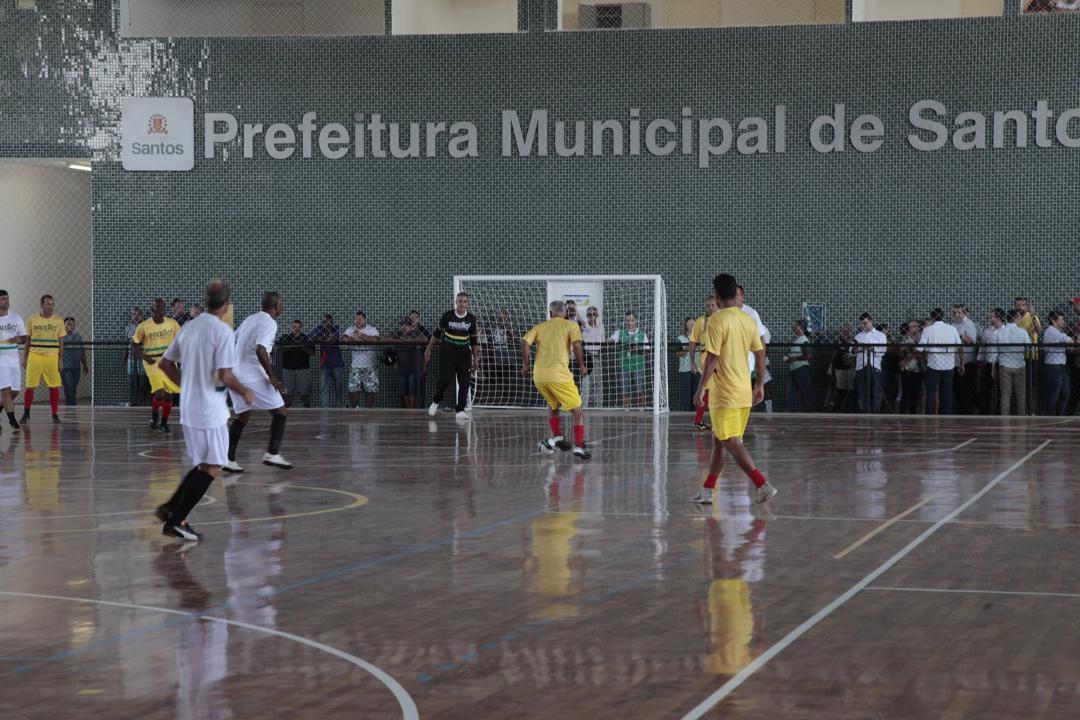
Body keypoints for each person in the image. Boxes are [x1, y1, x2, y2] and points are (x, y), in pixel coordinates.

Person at [154, 280, 255, 541]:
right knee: (213, 466)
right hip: (209, 409)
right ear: (226, 304)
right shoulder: (221, 332)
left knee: (204, 464)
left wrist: (186, 386)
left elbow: (165, 364)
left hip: (189, 407)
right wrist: (245, 392)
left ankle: (170, 508)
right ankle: (177, 521)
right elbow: (225, 375)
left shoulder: (189, 326)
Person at [691, 274, 777, 506]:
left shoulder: (717, 321)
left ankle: (762, 484)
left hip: (724, 394)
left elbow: (712, 360)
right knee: (719, 439)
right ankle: (708, 489)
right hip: (743, 391)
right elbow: (760, 353)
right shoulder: (747, 320)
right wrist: (759, 384)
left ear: (717, 297)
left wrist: (701, 388)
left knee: (730, 440)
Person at [224, 291, 292, 472]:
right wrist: (272, 377)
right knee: (281, 411)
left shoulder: (250, 319)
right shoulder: (270, 323)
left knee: (243, 416)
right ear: (276, 306)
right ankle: (272, 453)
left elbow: (232, 338)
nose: (282, 307)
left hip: (235, 374)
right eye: (281, 304)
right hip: (252, 375)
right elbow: (261, 350)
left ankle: (228, 459)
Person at [521, 299, 591, 459]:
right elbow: (577, 345)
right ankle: (579, 446)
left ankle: (558, 437)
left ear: (550, 313)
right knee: (577, 411)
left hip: (539, 376)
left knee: (553, 405)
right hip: (559, 375)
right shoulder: (571, 325)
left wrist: (526, 366)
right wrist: (581, 365)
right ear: (565, 313)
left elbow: (524, 342)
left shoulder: (540, 326)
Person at [425, 292, 480, 420]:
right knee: (445, 380)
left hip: (464, 354)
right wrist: (429, 348)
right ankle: (436, 401)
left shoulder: (471, 319)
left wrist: (476, 357)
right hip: (447, 352)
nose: (462, 303)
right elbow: (436, 334)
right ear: (456, 302)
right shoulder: (447, 316)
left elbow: (474, 340)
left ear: (468, 304)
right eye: (460, 300)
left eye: (465, 301)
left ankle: (460, 409)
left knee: (465, 382)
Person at [132, 298, 181, 432]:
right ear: (152, 309)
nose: (160, 310)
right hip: (152, 362)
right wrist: (144, 356)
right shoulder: (143, 326)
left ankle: (163, 422)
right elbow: (134, 345)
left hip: (168, 361)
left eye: (162, 307)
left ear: (165, 309)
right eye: (156, 307)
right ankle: (155, 416)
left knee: (170, 395)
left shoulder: (172, 324)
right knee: (161, 392)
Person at [21, 294, 66, 425]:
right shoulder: (32, 319)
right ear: (41, 305)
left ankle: (54, 414)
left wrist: (60, 359)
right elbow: (27, 341)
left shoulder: (58, 320)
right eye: (48, 304)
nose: (50, 306)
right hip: (35, 356)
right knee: (30, 386)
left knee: (54, 387)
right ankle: (26, 413)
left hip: (52, 356)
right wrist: (25, 359)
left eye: (52, 304)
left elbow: (61, 341)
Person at [918, 308, 964, 415]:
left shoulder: (928, 330)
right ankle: (946, 415)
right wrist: (962, 364)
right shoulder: (951, 329)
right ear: (943, 317)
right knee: (948, 392)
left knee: (931, 392)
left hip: (933, 365)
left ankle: (929, 415)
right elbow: (960, 347)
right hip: (949, 366)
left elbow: (920, 348)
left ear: (932, 318)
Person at [990, 308, 1030, 416]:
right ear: (1016, 318)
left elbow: (994, 352)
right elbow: (1029, 347)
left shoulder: (999, 332)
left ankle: (1004, 418)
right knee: (1021, 395)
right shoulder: (1022, 332)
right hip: (1020, 365)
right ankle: (1022, 417)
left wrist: (993, 367)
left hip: (1004, 366)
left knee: (1005, 395)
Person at [689, 295, 718, 429]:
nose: (710, 308)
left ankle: (698, 421)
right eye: (708, 305)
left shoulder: (721, 319)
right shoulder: (701, 321)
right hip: (707, 360)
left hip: (720, 360)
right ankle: (707, 421)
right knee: (709, 390)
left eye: (713, 305)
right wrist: (692, 362)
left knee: (709, 392)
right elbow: (693, 341)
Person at [609, 311, 650, 409]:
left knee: (640, 389)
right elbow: (609, 341)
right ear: (624, 321)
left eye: (632, 320)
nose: (629, 322)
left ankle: (642, 410)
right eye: (627, 320)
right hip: (624, 366)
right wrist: (611, 342)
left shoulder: (642, 334)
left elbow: (648, 353)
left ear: (636, 321)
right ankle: (626, 410)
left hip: (638, 366)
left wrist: (638, 349)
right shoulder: (620, 333)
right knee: (625, 390)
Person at [0, 290, 26, 432]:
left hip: (13, 358)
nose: (6, 301)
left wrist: (18, 339)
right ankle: (12, 421)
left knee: (14, 391)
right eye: (3, 299)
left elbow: (24, 337)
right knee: (5, 390)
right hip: (0, 359)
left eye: (7, 298)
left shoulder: (16, 318)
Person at [343, 311, 380, 409]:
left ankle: (369, 410)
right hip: (355, 365)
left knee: (371, 389)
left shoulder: (372, 329)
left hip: (370, 365)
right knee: (352, 389)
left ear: (365, 320)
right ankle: (356, 409)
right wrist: (352, 339)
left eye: (360, 319)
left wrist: (361, 336)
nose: (357, 321)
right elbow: (343, 339)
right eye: (356, 319)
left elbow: (375, 340)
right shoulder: (351, 329)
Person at [853, 313, 886, 413]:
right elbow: (851, 352)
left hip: (874, 366)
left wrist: (871, 348)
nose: (863, 325)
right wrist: (856, 349)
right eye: (861, 324)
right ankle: (863, 413)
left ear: (871, 321)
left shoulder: (880, 335)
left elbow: (883, 351)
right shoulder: (858, 336)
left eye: (865, 323)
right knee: (861, 393)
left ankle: (875, 414)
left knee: (875, 392)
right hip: (861, 367)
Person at [1042, 311, 1073, 416]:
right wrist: (1071, 339)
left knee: (1066, 393)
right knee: (1054, 395)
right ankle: (1051, 417)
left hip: (1060, 365)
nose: (1063, 321)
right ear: (1053, 321)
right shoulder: (1051, 331)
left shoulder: (1057, 332)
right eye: (1061, 319)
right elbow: (1069, 341)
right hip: (1053, 366)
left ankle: (1059, 415)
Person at [310, 314, 344, 407]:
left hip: (337, 363)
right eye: (325, 322)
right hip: (324, 363)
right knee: (323, 388)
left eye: (330, 322)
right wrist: (325, 338)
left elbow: (333, 340)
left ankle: (339, 409)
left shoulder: (336, 328)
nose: (328, 324)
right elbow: (312, 338)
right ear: (323, 322)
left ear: (332, 322)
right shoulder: (319, 328)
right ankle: (324, 410)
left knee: (339, 387)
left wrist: (320, 338)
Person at [278, 319, 313, 408]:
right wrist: (289, 346)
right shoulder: (286, 338)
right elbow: (279, 350)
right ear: (291, 328)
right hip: (288, 369)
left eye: (298, 327)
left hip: (303, 369)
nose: (296, 329)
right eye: (294, 327)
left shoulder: (306, 338)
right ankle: (286, 411)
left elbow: (313, 353)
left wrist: (302, 346)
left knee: (305, 392)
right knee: (287, 393)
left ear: (301, 328)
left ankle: (307, 411)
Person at [392, 316, 425, 408]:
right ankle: (407, 410)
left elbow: (424, 339)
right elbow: (386, 338)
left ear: (411, 326)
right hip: (402, 369)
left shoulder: (416, 334)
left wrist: (410, 340)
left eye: (405, 325)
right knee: (404, 391)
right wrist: (400, 340)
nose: (403, 327)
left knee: (412, 391)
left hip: (413, 369)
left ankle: (412, 411)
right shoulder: (398, 335)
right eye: (401, 325)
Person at [951, 304, 979, 414]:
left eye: (959, 312)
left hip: (967, 362)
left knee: (966, 391)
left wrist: (961, 337)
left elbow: (972, 342)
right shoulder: (953, 325)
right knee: (958, 390)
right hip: (956, 362)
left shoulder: (969, 324)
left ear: (964, 313)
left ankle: (967, 413)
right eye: (954, 313)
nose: (956, 315)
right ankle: (960, 413)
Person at [976, 311, 1002, 415]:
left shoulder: (1005, 331)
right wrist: (980, 362)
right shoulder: (987, 332)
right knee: (984, 390)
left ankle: (999, 413)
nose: (990, 318)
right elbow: (982, 349)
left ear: (998, 318)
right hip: (988, 363)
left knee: (1001, 391)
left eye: (992, 317)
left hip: (1000, 364)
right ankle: (984, 413)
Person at [580, 306, 606, 408]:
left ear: (597, 315)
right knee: (586, 383)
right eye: (589, 315)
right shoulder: (584, 327)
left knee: (598, 383)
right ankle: (585, 406)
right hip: (586, 357)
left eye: (594, 314)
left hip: (596, 357)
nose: (592, 317)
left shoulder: (601, 327)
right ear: (586, 316)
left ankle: (598, 406)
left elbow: (603, 342)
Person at [784, 319, 812, 411]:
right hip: (794, 369)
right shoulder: (798, 340)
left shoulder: (804, 340)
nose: (793, 327)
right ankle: (790, 411)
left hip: (801, 369)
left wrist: (794, 359)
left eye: (796, 325)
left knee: (804, 391)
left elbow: (808, 355)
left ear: (802, 328)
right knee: (792, 392)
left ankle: (812, 410)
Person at [60, 317, 88, 406]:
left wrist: (85, 364)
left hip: (76, 368)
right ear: (63, 326)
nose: (70, 326)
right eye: (68, 324)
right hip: (65, 369)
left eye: (72, 324)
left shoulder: (78, 337)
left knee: (72, 390)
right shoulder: (61, 337)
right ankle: (71, 410)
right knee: (69, 389)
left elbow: (82, 352)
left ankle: (70, 408)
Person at [123, 307, 148, 407]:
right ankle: (134, 401)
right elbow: (126, 344)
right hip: (131, 356)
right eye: (134, 314)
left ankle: (145, 401)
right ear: (131, 316)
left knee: (142, 381)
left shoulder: (146, 326)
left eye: (138, 314)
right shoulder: (128, 328)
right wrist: (124, 358)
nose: (136, 316)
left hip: (142, 356)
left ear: (141, 315)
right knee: (132, 380)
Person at [899, 320, 925, 414]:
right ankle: (902, 414)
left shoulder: (922, 338)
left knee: (916, 394)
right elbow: (901, 351)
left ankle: (913, 413)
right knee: (905, 393)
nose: (914, 328)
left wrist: (913, 351)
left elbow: (922, 353)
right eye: (912, 326)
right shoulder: (906, 338)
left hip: (918, 370)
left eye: (916, 326)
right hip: (907, 369)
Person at [677, 316, 696, 412]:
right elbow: (678, 353)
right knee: (686, 393)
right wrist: (687, 349)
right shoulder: (681, 338)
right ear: (686, 326)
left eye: (694, 324)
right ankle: (686, 413)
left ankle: (696, 415)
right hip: (685, 370)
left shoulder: (699, 338)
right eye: (690, 324)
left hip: (697, 369)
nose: (692, 326)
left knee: (696, 393)